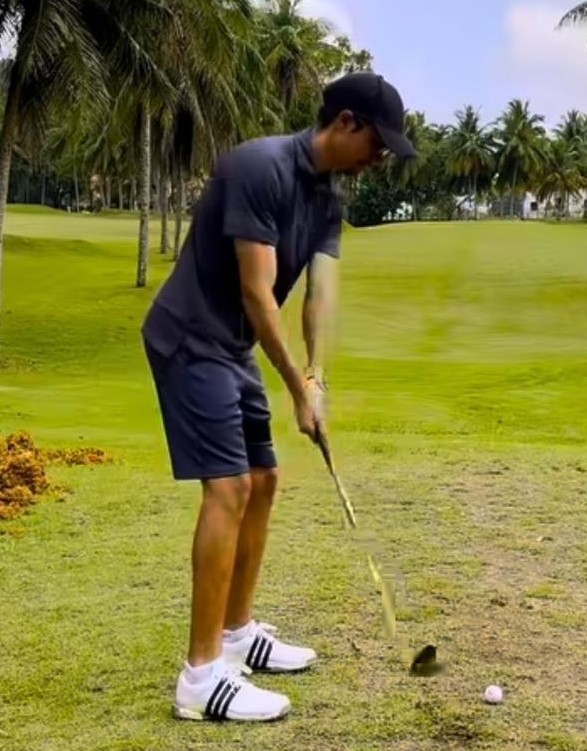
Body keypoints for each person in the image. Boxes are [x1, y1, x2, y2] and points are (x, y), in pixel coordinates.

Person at [140, 72, 416, 723]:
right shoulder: (259, 167)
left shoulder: (328, 199)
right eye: (377, 144)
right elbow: (257, 294)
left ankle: (236, 634)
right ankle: (201, 676)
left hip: (231, 348)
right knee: (229, 487)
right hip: (191, 337)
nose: (379, 158)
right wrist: (295, 389)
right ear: (345, 123)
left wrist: (316, 377)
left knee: (264, 480)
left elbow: (318, 293)